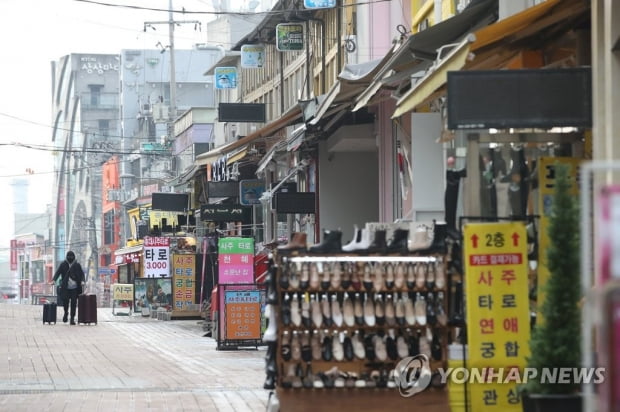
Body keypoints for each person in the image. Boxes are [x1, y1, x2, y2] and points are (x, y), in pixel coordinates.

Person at [52, 251, 85, 325]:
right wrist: (54, 280)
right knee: (65, 302)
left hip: (75, 288)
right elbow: (58, 273)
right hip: (65, 288)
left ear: (74, 257)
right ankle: (66, 313)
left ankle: (72, 318)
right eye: (69, 256)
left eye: (72, 256)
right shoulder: (63, 264)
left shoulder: (77, 265)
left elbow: (82, 274)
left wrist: (82, 281)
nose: (70, 258)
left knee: (74, 303)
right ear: (66, 257)